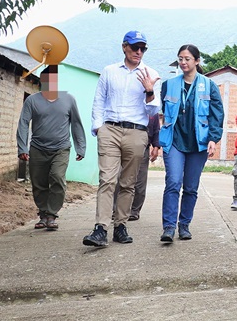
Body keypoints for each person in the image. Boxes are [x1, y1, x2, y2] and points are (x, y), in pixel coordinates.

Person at [83, 31, 160, 248]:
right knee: (107, 179)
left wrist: (149, 89)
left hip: (136, 132)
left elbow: (154, 111)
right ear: (124, 47)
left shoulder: (151, 73)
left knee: (128, 183)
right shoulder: (109, 71)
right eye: (135, 47)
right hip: (111, 130)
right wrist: (99, 127)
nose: (139, 52)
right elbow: (99, 100)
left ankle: (120, 225)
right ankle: (100, 228)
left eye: (143, 48)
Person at [158, 44, 224, 242]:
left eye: (187, 59)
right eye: (180, 59)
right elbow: (162, 111)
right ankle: (168, 227)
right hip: (174, 142)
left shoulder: (208, 85)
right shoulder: (168, 85)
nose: (183, 62)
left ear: (197, 61)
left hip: (199, 143)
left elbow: (216, 114)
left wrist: (213, 138)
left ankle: (184, 224)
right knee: (173, 182)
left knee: (191, 187)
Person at [17, 64, 86, 231]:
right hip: (38, 148)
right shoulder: (32, 100)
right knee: (38, 182)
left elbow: (76, 124)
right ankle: (43, 214)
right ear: (42, 82)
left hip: (61, 147)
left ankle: (52, 214)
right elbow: (23, 124)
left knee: (57, 177)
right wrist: (22, 148)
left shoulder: (69, 99)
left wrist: (80, 147)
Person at [112, 113, 161, 221]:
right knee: (119, 178)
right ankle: (116, 210)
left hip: (143, 147)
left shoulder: (152, 109)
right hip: (124, 145)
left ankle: (134, 210)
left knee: (140, 181)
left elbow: (156, 129)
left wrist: (156, 146)